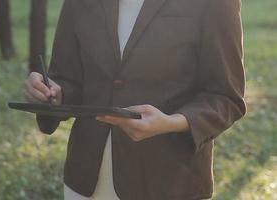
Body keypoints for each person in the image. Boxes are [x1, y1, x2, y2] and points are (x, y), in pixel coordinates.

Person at [24, 0, 247, 199]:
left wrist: (172, 122)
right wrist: (52, 93)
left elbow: (225, 97)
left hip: (168, 183)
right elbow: (67, 78)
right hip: (85, 181)